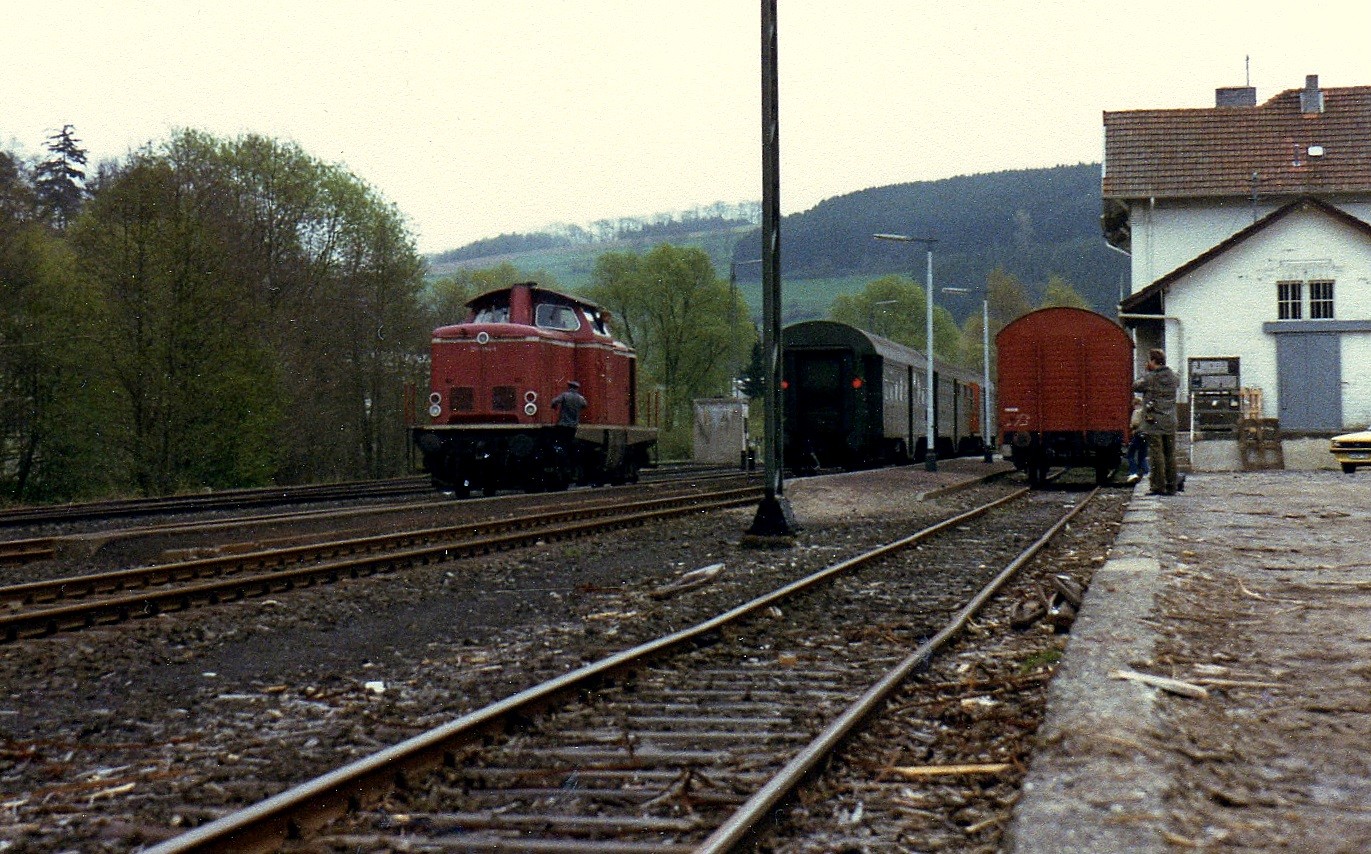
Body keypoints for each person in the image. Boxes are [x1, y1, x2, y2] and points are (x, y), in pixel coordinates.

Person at [1133, 348, 1180, 495]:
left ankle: (1158, 486)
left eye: (1149, 360)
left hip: (1154, 421)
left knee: (1156, 454)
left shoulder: (1150, 378)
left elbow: (1135, 386)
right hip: (1170, 420)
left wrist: (1146, 372)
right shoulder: (1174, 377)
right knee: (1170, 454)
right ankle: (1172, 485)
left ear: (1153, 361)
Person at [1125, 394, 1150, 485]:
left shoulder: (1137, 412)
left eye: (1134, 404)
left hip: (1138, 435)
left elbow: (1135, 423)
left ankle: (1133, 472)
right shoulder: (1146, 411)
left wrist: (1131, 426)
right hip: (1146, 435)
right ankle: (1147, 473)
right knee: (1142, 457)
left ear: (1136, 404)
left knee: (1130, 455)